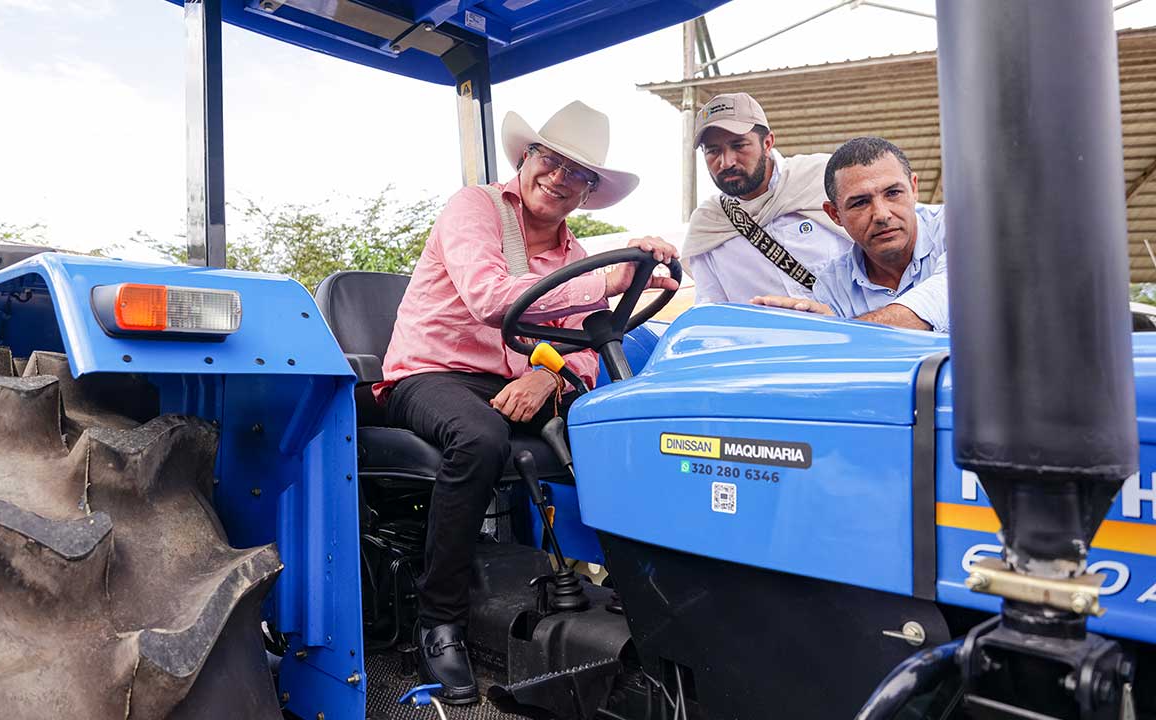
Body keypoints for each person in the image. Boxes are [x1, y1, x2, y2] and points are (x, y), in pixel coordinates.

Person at [374, 100, 680, 704]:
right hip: (430, 375)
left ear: (590, 191)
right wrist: (610, 277)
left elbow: (587, 347)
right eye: (551, 159)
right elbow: (492, 298)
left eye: (580, 173)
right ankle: (440, 623)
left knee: (619, 425)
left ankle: (646, 596)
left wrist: (552, 378)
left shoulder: (572, 255)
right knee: (480, 438)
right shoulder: (475, 209)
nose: (560, 178)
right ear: (526, 156)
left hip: (515, 383)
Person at [751, 136, 948, 332]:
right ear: (835, 214)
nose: (881, 214)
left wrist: (841, 329)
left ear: (914, 188)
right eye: (860, 202)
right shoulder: (832, 286)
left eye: (893, 193)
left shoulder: (959, 228)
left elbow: (946, 298)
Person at [683, 92, 851, 304]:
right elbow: (713, 311)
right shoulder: (708, 225)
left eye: (739, 145)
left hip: (858, 333)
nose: (726, 162)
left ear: (768, 143)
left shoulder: (825, 178)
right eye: (713, 151)